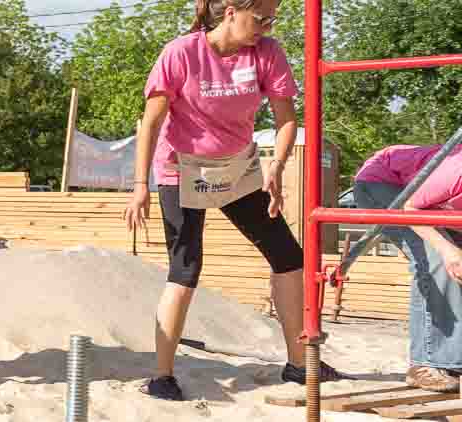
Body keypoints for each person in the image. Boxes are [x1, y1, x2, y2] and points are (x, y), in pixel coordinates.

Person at [122, 0, 348, 401]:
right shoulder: (181, 53)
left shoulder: (268, 52)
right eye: (259, 18)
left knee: (288, 257)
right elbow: (153, 121)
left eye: (272, 19)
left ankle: (298, 363)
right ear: (230, 12)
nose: (266, 26)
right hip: (182, 168)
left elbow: (286, 119)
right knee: (186, 267)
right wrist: (141, 184)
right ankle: (162, 375)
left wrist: (276, 163)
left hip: (238, 169)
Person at [352, 144, 460, 392]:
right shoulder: (456, 171)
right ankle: (426, 364)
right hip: (382, 181)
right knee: (434, 259)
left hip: (424, 193)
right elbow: (410, 208)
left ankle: (450, 356)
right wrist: (448, 251)